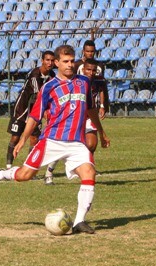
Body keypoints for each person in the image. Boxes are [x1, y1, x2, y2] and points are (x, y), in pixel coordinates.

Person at [0, 45, 111, 235]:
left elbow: (90, 110)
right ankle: (0, 174)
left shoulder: (84, 82)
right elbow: (34, 117)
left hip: (76, 142)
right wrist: (23, 140)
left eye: (72, 60)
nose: (70, 65)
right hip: (52, 140)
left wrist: (101, 133)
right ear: (56, 63)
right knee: (25, 176)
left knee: (89, 173)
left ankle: (79, 221)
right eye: (65, 61)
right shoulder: (49, 87)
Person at [44, 40, 109, 185]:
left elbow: (101, 90)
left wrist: (103, 106)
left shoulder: (97, 76)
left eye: (93, 70)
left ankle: (84, 167)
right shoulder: (75, 72)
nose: (91, 72)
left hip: (88, 115)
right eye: (88, 70)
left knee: (91, 144)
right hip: (72, 115)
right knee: (62, 145)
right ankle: (49, 171)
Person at [5, 50, 56, 169]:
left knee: (34, 138)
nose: (50, 63)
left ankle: (28, 167)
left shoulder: (52, 76)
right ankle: (8, 165)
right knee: (15, 137)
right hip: (22, 108)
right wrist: (45, 110)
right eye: (47, 60)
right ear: (42, 61)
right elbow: (39, 94)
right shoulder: (35, 74)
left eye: (52, 60)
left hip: (36, 109)